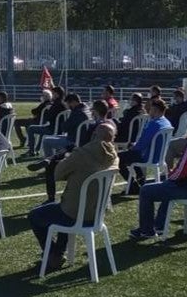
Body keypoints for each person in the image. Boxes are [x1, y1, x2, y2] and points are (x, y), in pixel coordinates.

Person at [27, 123, 119, 269]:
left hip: (76, 214)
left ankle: (53, 254)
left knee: (35, 216)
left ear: (94, 135)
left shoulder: (81, 154)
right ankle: (58, 253)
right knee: (66, 207)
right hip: (98, 213)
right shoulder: (114, 157)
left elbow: (57, 175)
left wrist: (67, 158)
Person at [129, 109, 187, 239]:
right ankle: (159, 225)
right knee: (167, 186)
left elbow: (181, 172)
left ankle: (146, 231)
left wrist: (170, 176)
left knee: (147, 190)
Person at [118, 98, 173, 193]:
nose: (148, 111)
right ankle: (140, 180)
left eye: (150, 109)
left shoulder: (154, 124)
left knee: (119, 158)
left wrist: (133, 146)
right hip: (159, 156)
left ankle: (133, 186)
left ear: (155, 110)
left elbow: (142, 145)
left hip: (148, 156)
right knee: (131, 155)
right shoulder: (166, 122)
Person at [39, 93, 88, 158]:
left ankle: (50, 162)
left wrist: (65, 123)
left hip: (75, 140)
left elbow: (65, 128)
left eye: (68, 104)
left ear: (73, 102)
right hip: (80, 138)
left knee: (46, 141)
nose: (68, 106)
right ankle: (58, 157)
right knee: (52, 138)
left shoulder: (77, 112)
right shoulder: (86, 109)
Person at [25, 87, 67, 155]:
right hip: (61, 129)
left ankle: (31, 151)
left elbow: (48, 117)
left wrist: (47, 110)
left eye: (53, 93)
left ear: (57, 94)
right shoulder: (64, 104)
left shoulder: (56, 104)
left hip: (53, 129)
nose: (52, 95)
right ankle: (37, 148)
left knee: (31, 128)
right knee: (42, 128)